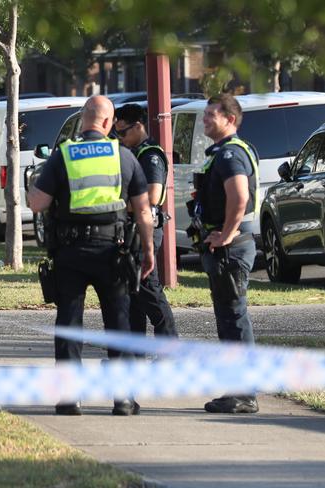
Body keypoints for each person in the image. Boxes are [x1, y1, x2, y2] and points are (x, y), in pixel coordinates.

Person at [28, 95, 155, 416]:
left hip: (70, 253)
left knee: (70, 322)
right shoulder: (123, 156)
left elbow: (37, 204)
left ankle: (70, 398)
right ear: (109, 123)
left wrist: (34, 186)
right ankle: (123, 399)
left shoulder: (63, 156)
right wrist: (149, 252)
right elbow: (143, 211)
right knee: (119, 324)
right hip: (113, 252)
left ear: (84, 119)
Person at [191, 93, 260, 413]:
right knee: (227, 319)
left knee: (234, 319)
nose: (204, 119)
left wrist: (227, 234)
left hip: (231, 248)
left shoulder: (231, 153)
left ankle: (244, 394)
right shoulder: (222, 152)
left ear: (230, 119)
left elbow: (240, 197)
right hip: (224, 246)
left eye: (210, 115)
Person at [113, 104, 178, 342]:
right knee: (134, 297)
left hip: (145, 230)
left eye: (123, 132)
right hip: (133, 229)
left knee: (150, 292)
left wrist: (117, 204)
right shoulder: (134, 152)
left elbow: (153, 196)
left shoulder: (150, 155)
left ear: (138, 126)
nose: (120, 138)